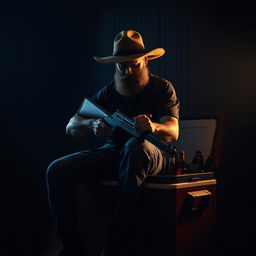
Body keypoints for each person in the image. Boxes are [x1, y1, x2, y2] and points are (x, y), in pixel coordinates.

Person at [46, 30, 180, 256]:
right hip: (114, 153)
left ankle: (117, 242)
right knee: (56, 170)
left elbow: (173, 131)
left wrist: (154, 126)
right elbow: (72, 126)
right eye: (121, 66)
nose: (127, 71)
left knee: (135, 147)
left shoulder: (162, 88)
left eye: (133, 65)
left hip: (153, 152)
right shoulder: (109, 91)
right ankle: (70, 245)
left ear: (145, 60)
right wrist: (93, 125)